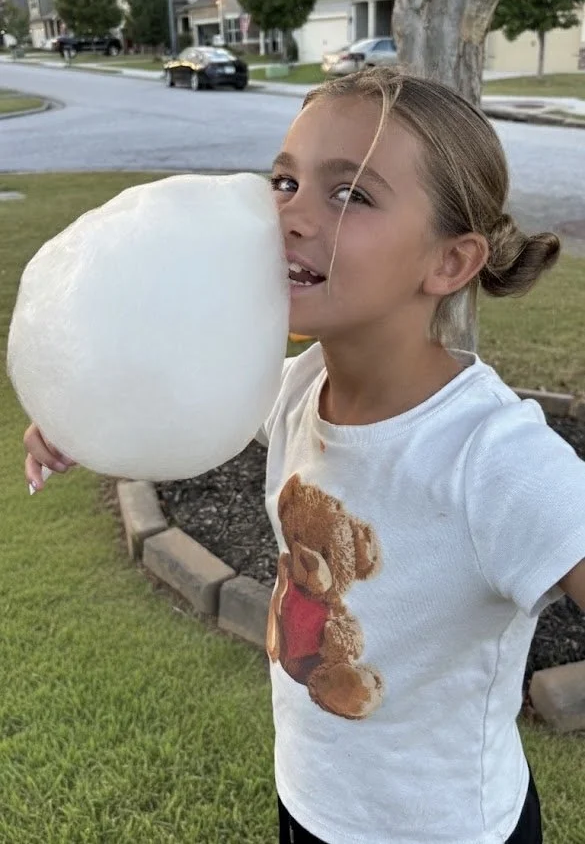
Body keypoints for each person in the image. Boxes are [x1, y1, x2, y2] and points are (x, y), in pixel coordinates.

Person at [24, 67, 585, 844]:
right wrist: (85, 420)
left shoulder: (491, 454)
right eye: (283, 180)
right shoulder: (298, 384)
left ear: (449, 263)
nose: (287, 214)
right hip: (312, 800)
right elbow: (186, 403)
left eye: (348, 193)